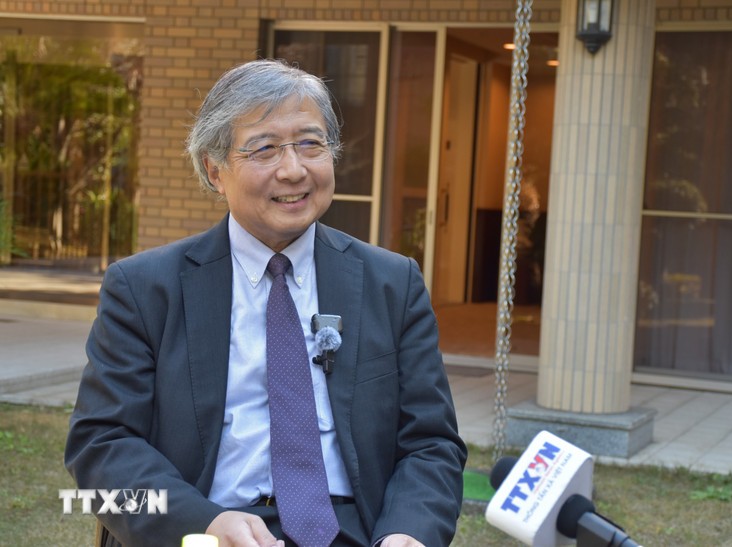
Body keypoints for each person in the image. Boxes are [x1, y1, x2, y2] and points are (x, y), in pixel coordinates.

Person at [65, 59, 467, 547]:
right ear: (215, 171)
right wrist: (201, 523)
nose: (293, 169)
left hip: (355, 533)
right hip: (208, 530)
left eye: (310, 144)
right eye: (264, 149)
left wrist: (409, 532)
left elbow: (432, 442)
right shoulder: (145, 289)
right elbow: (98, 447)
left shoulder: (391, 283)